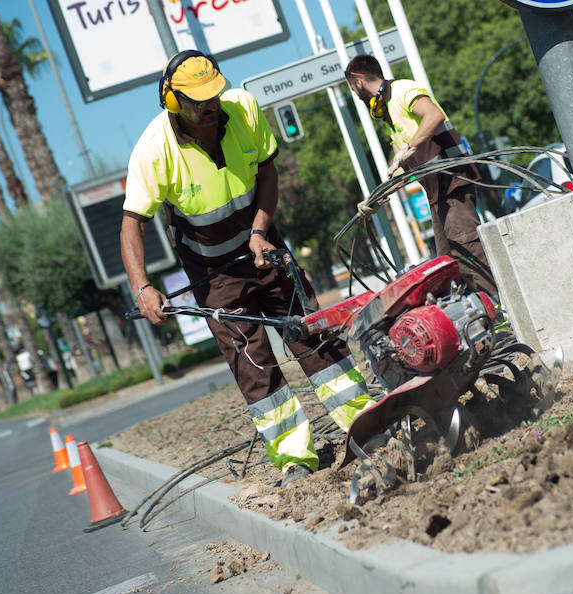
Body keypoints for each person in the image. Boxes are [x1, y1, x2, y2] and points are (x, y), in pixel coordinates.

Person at [120, 50, 375, 486]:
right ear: (174, 101)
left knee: (310, 330)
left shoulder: (244, 108)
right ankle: (295, 458)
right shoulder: (152, 151)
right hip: (213, 273)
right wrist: (142, 286)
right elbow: (132, 224)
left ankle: (365, 422)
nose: (211, 105)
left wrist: (259, 231)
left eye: (213, 94)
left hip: (265, 246)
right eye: (199, 100)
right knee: (251, 361)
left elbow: (268, 173)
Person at [344, 54, 497, 297]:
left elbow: (433, 115)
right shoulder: (390, 112)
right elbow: (402, 165)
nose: (355, 94)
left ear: (358, 82)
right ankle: (478, 307)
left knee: (468, 249)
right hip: (438, 193)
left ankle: (498, 306)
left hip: (452, 181)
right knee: (447, 263)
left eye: (352, 88)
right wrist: (376, 198)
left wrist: (410, 147)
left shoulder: (402, 90)